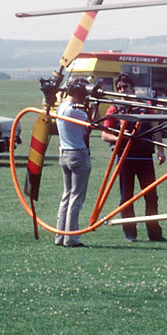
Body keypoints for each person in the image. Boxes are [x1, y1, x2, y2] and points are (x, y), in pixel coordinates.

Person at [101, 77, 167, 243]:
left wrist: (161, 150)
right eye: (120, 87)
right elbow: (104, 135)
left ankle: (154, 233)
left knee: (151, 196)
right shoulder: (114, 109)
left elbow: (155, 129)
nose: (122, 90)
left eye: (125, 87)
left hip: (145, 157)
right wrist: (120, 138)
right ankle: (130, 233)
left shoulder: (145, 106)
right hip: (125, 157)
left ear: (132, 88)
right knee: (126, 197)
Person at [53, 81, 92, 247]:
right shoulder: (75, 111)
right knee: (76, 197)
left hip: (64, 153)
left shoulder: (61, 107)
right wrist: (91, 105)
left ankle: (60, 235)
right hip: (78, 154)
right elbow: (93, 123)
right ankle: (71, 238)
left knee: (66, 196)